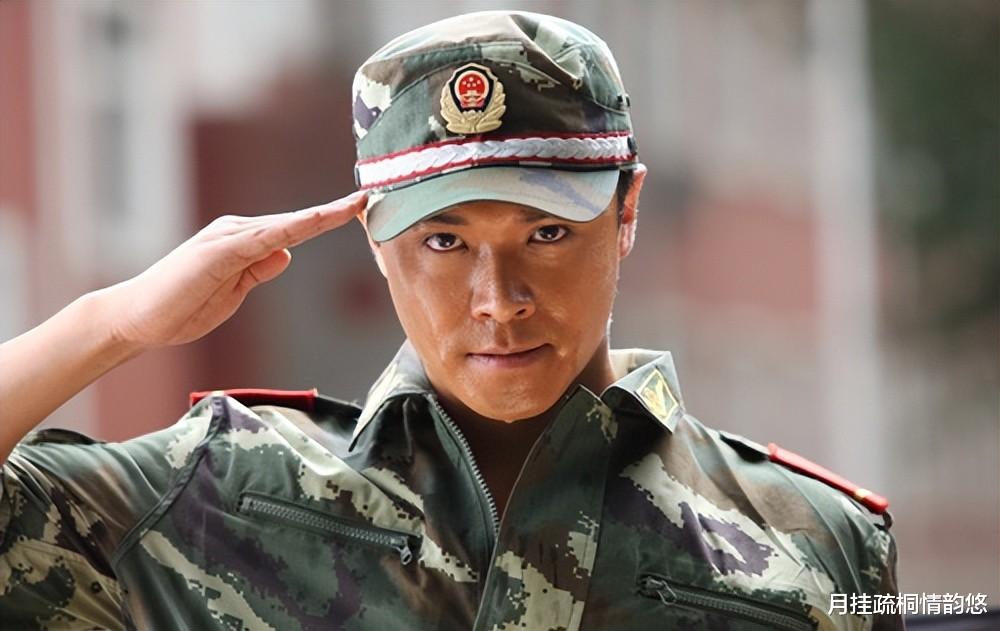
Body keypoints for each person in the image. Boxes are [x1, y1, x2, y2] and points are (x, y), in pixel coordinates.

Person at [0, 10, 901, 631]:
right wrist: (112, 323)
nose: (497, 298)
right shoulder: (220, 493)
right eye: (443, 240)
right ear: (375, 241)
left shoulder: (814, 543)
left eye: (547, 232)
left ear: (626, 212)